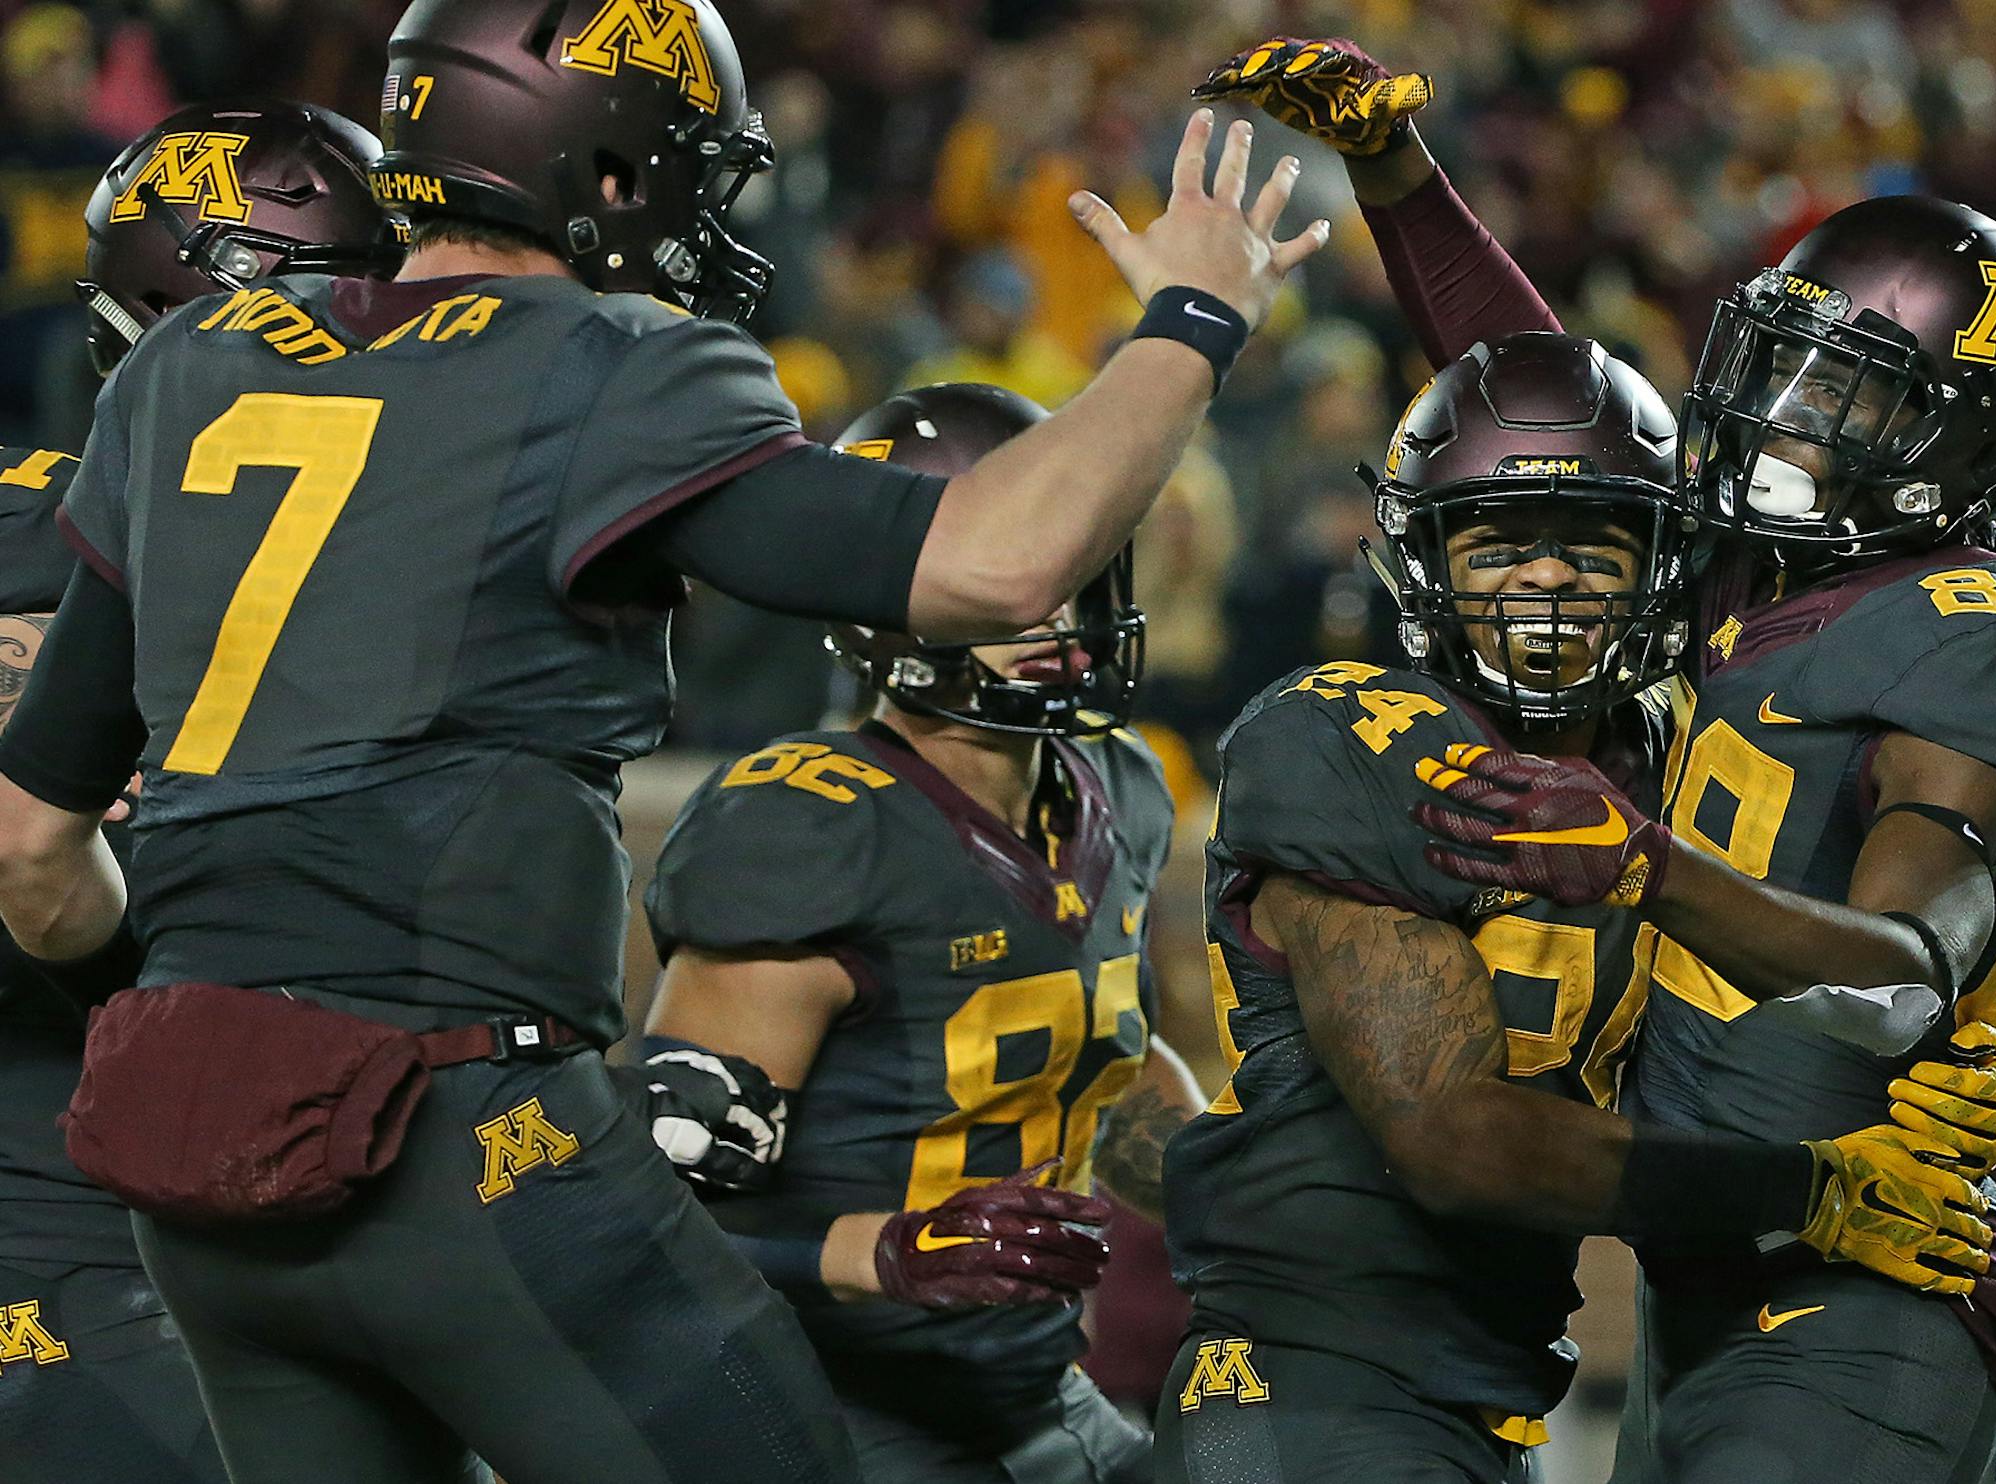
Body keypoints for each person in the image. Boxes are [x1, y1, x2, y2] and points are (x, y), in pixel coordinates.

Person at [0, 2, 1325, 1481]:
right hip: (461, 1133)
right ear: (615, 170)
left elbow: (36, 857)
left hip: (197, 1162)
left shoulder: (183, 372)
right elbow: (996, 564)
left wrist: (225, 1006)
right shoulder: (608, 362)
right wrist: (1194, 318)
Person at [1203, 35, 1996, 1483]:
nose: (1788, 412)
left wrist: (1649, 869)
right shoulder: (1778, 575)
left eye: (1848, 392)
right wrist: (1402, 181)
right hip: (1724, 1266)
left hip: (1863, 1277)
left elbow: (1895, 971)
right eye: (1791, 361)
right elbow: (1557, 440)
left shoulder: (1976, 631)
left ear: (1958, 435)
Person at [1156, 331, 1993, 1484]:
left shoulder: (1677, 758)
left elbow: (1779, 974)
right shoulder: (1339, 737)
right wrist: (1810, 1188)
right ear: (1422, 556)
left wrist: (1931, 1057)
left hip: (1488, 1393)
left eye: (1590, 544)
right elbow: (1452, 1137)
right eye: (1499, 543)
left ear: (1661, 561)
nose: (1547, 579)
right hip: (1301, 1375)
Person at [635, 382, 1205, 1484]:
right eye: (1013, 556)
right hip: (823, 1399)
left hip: (1034, 1388)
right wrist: (882, 1251)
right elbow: (653, 1212)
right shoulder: (811, 823)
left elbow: (1096, 1067)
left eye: (1069, 553)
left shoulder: (1119, 789)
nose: (1051, 594)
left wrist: (1255, 1191)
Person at [0, 95, 395, 1484]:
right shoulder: (35, 540)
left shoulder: (419, 549)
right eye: (351, 292)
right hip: (70, 1229)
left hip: (294, 1218)